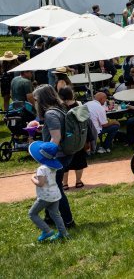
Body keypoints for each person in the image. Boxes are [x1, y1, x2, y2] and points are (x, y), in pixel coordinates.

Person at [32, 85, 76, 230]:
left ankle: (68, 221)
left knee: (55, 189)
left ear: (43, 99)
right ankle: (50, 217)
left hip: (57, 156)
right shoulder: (60, 108)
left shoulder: (51, 114)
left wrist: (45, 158)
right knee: (52, 185)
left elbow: (56, 138)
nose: (35, 102)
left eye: (37, 99)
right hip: (64, 153)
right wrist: (43, 128)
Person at [27, 141, 68, 242]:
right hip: (55, 194)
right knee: (55, 214)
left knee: (32, 213)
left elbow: (40, 183)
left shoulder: (41, 169)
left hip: (45, 196)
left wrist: (32, 178)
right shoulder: (52, 166)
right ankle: (64, 233)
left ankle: (47, 231)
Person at [57, 87, 88, 190]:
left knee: (65, 162)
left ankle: (65, 184)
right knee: (79, 160)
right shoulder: (79, 104)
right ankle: (78, 182)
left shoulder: (60, 107)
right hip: (79, 136)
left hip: (67, 137)